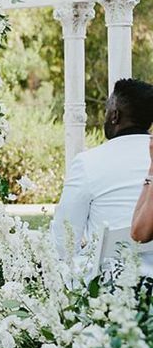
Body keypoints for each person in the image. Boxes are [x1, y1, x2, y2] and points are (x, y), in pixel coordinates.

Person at [53, 78, 153, 275]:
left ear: (115, 116)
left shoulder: (88, 163)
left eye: (107, 109)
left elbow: (65, 239)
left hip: (107, 287)